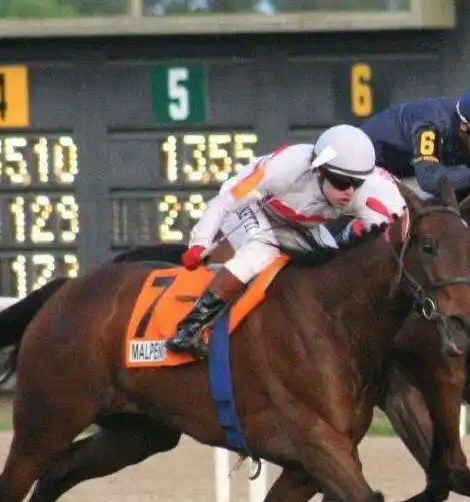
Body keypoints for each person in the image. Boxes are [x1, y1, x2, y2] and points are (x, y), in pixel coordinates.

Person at [165, 123, 406, 358]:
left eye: (357, 183)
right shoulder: (286, 168)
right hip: (253, 208)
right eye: (342, 182)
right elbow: (224, 203)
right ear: (318, 169)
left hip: (299, 222)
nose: (350, 192)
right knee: (260, 251)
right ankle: (189, 328)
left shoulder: (369, 189)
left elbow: (395, 236)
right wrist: (200, 242)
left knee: (334, 266)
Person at [360, 77, 470, 202]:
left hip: (407, 170)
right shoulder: (431, 126)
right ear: (464, 126)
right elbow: (429, 180)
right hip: (367, 165)